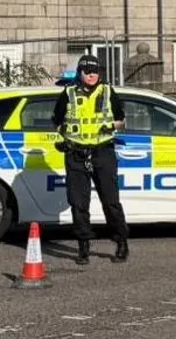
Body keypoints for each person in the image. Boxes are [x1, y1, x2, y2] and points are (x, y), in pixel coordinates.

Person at [51, 54, 130, 265]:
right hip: (76, 153)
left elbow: (122, 120)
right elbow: (56, 121)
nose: (92, 75)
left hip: (102, 152)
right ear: (80, 73)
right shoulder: (67, 93)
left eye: (95, 71)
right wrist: (65, 138)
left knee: (111, 201)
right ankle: (83, 245)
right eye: (87, 71)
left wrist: (112, 126)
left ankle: (121, 242)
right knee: (78, 203)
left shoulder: (107, 91)